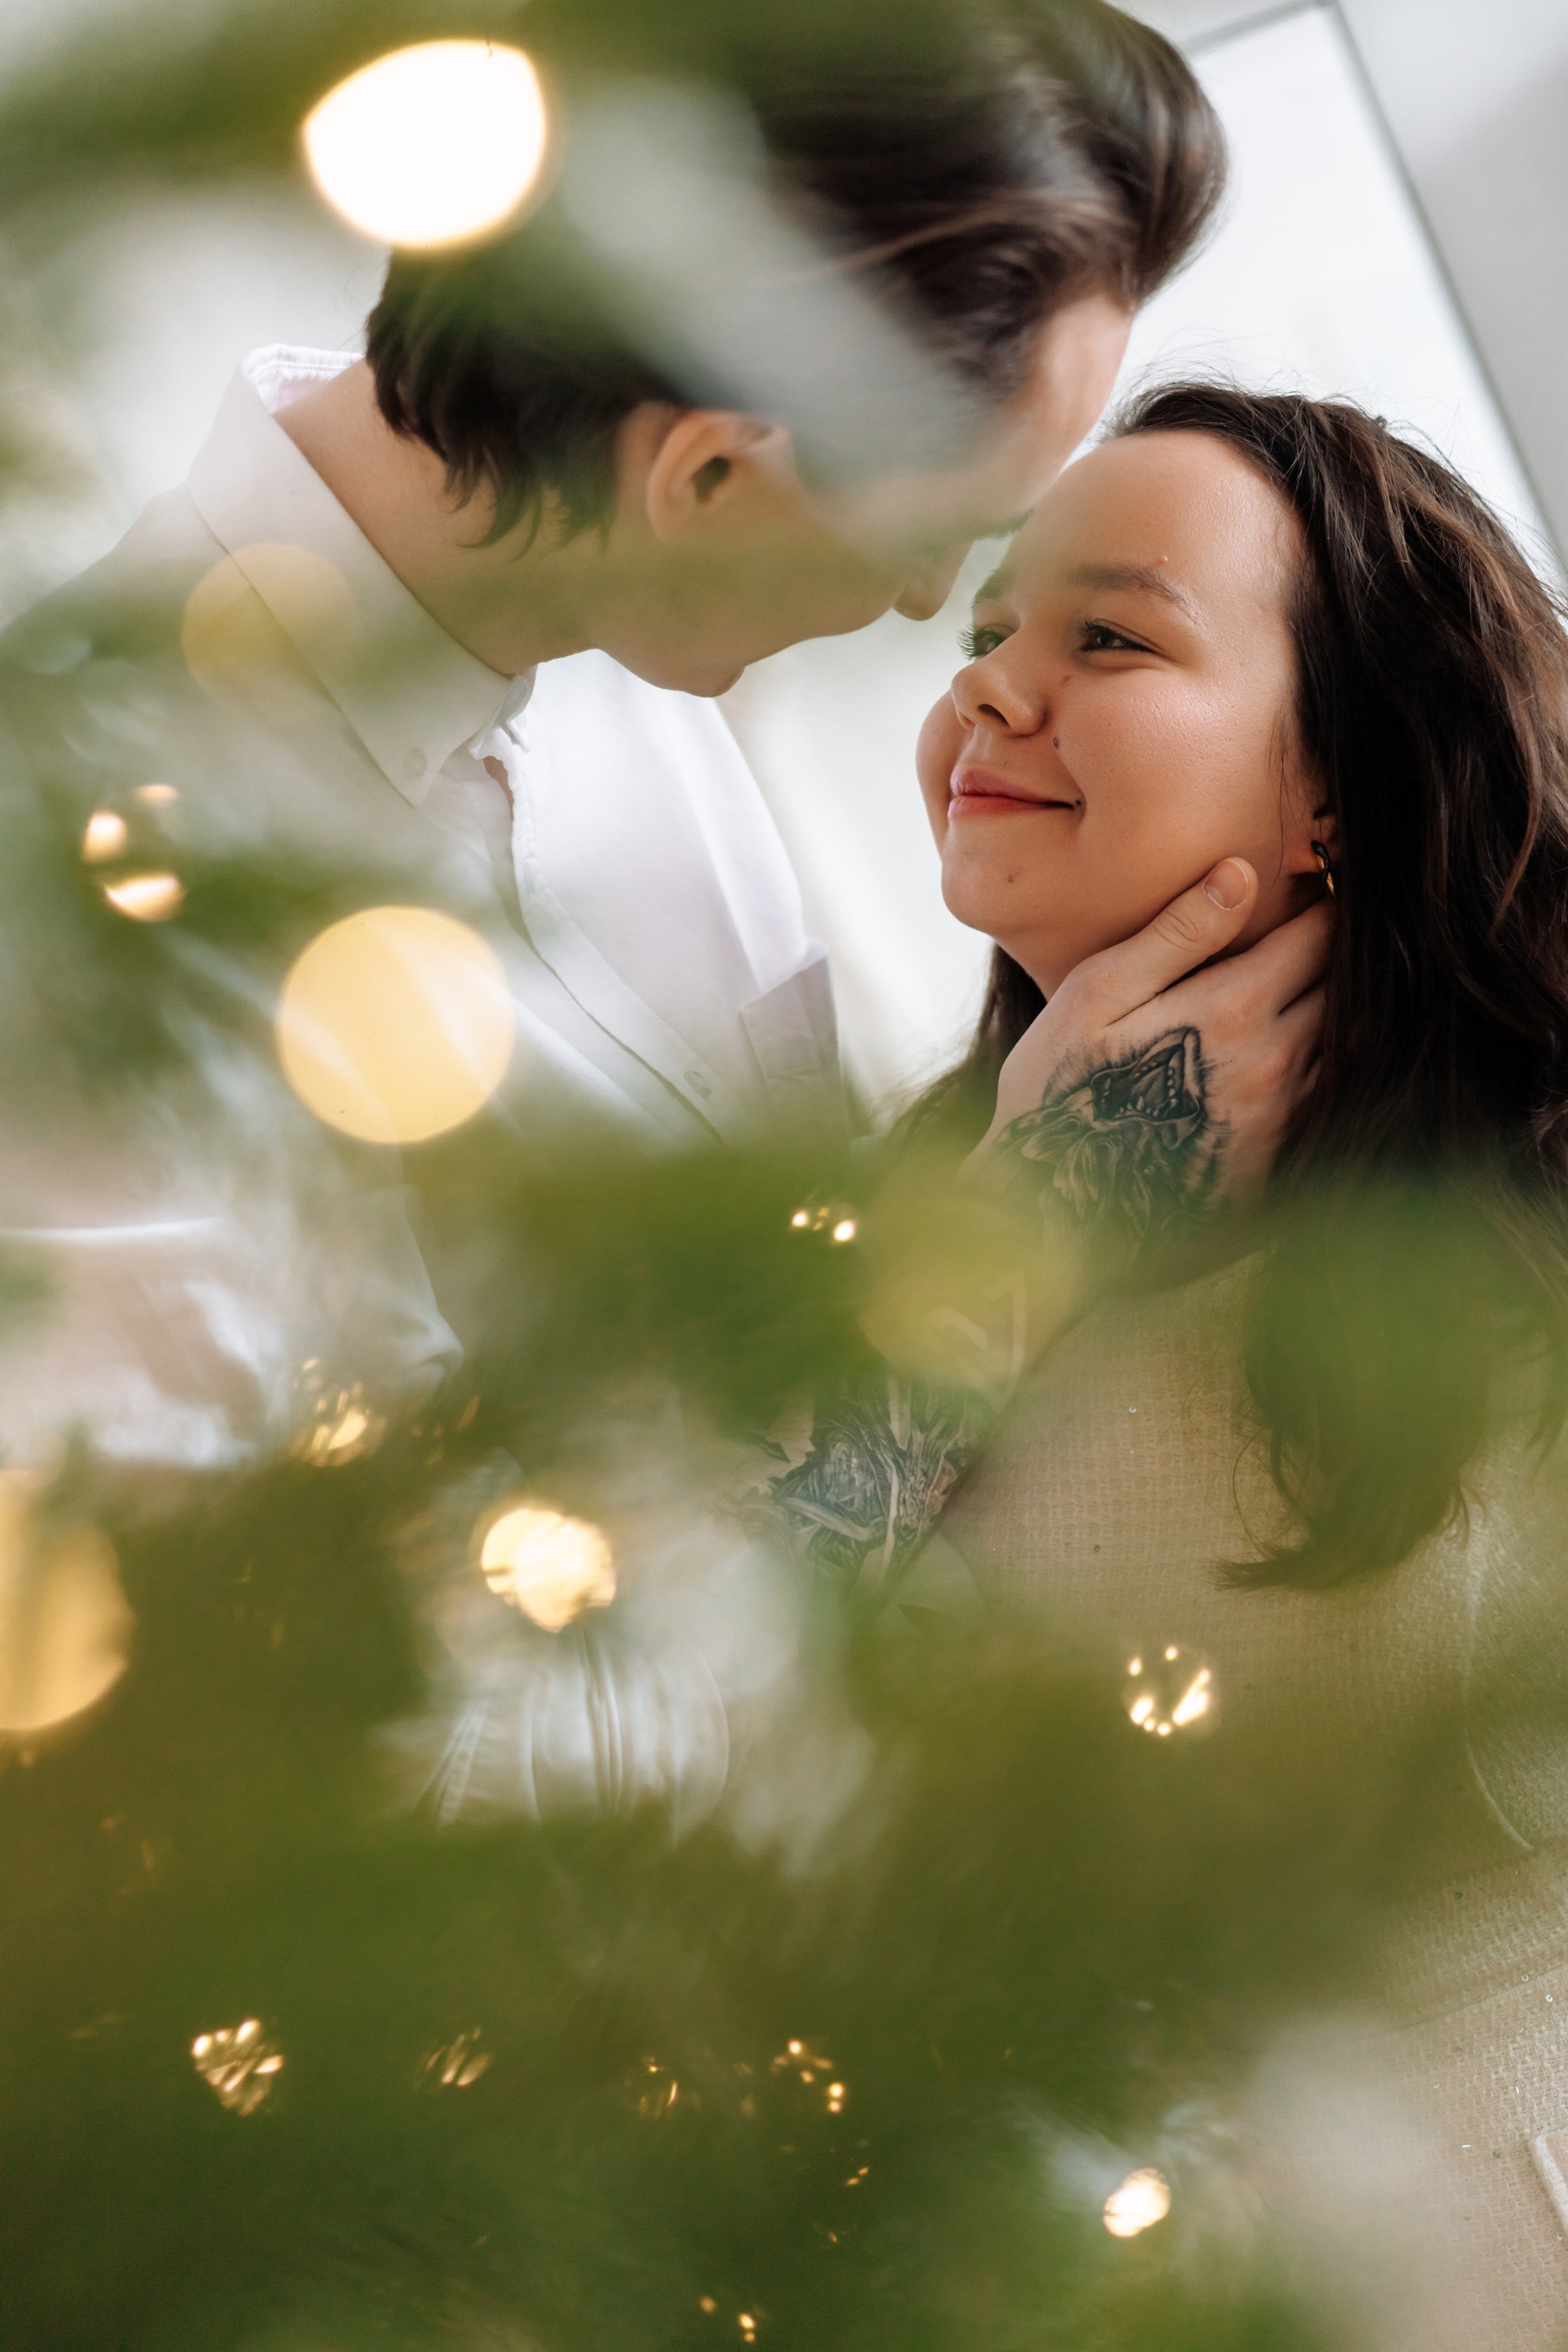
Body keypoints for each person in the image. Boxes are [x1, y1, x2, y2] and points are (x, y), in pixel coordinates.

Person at [0, 0, 1321, 1477]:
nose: (920, 603)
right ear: (700, 481)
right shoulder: (72, 918)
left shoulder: (622, 662)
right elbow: (333, 1673)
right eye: (940, 536)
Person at [881, 382, 1568, 2342]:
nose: (993, 694)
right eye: (986, 634)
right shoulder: (912, 1222)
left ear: (1345, 770)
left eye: (1107, 634)